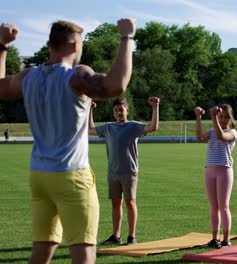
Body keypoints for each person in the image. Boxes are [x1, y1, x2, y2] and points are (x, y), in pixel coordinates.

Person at [0, 18, 136, 263]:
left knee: (41, 252)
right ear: (75, 46)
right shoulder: (76, 76)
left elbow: (0, 87)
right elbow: (116, 86)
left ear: (50, 45)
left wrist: (2, 45)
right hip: (71, 176)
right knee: (83, 254)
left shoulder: (29, 76)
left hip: (39, 175)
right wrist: (127, 37)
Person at [89, 96, 159, 245]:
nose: (119, 112)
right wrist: (90, 110)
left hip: (129, 172)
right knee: (115, 204)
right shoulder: (108, 127)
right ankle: (116, 236)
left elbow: (153, 127)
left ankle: (132, 236)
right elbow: (90, 129)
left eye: (121, 109)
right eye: (116, 110)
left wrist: (155, 107)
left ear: (127, 111)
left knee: (130, 203)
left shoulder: (133, 126)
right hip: (113, 173)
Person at [194, 105, 237, 248]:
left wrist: (213, 117)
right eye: (221, 116)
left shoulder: (232, 132)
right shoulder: (211, 131)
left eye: (226, 117)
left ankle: (226, 239)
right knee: (213, 207)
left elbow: (222, 136)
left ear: (230, 119)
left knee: (224, 206)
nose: (223, 119)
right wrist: (199, 117)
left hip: (224, 170)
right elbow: (199, 138)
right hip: (210, 170)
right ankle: (214, 238)